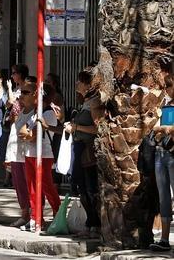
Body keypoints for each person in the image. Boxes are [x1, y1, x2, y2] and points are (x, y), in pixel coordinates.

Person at [64, 69, 104, 239]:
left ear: (88, 85)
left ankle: (95, 225)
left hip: (88, 150)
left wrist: (76, 128)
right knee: (81, 187)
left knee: (90, 188)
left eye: (80, 81)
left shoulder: (95, 103)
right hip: (79, 148)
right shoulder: (85, 103)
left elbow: (97, 128)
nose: (76, 84)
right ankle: (90, 223)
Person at [21, 82, 61, 232]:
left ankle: (58, 214)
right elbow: (23, 132)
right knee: (32, 187)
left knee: (46, 186)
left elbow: (33, 135)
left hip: (43, 154)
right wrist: (27, 134)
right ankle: (35, 217)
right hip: (30, 153)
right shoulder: (34, 113)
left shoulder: (48, 113)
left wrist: (28, 134)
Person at [150, 73, 174, 252]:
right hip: (161, 153)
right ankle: (164, 239)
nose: (166, 89)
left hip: (172, 154)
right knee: (163, 196)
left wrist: (165, 129)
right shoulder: (164, 106)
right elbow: (153, 128)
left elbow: (165, 129)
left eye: (169, 86)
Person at [4, 63, 31, 227]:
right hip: (14, 134)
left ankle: (31, 213)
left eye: (14, 73)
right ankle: (24, 212)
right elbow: (9, 106)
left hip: (24, 135)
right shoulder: (15, 92)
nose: (12, 76)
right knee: (17, 178)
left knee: (26, 178)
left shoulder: (25, 91)